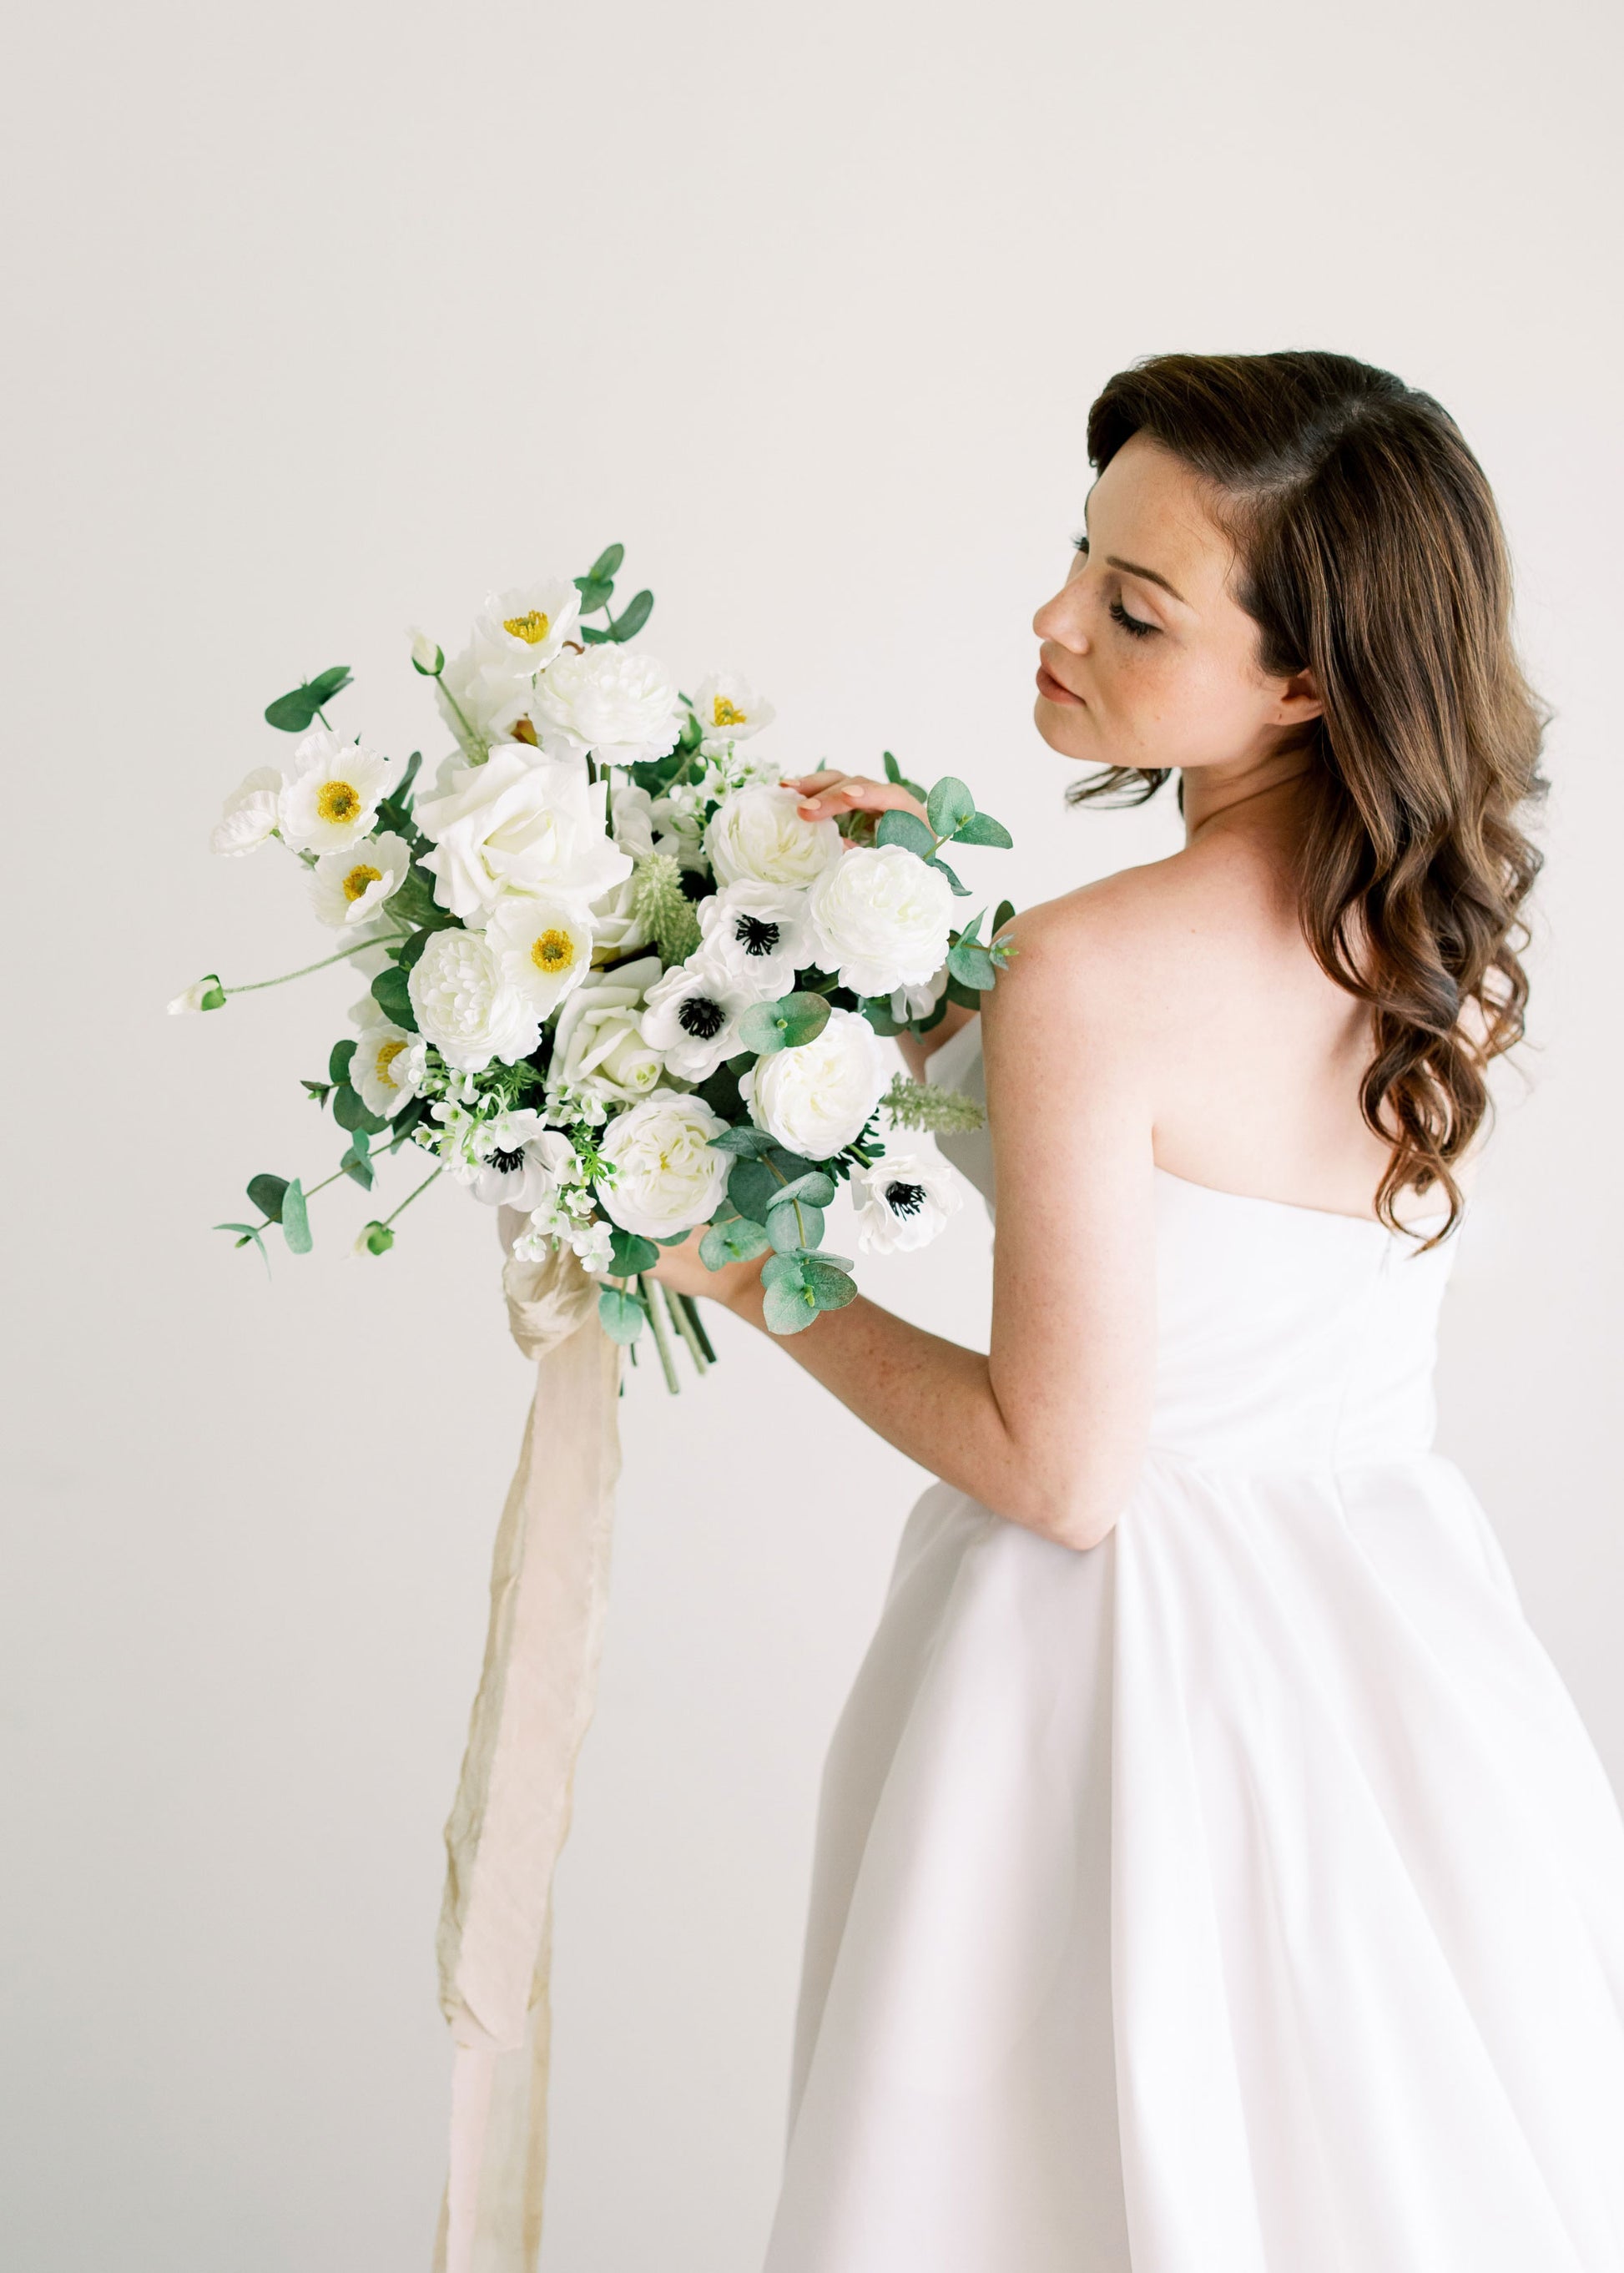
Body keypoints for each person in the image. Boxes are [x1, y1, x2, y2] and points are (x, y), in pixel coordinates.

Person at [652, 351, 1624, 2270]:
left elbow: (1066, 1470)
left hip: (1112, 1693)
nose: (1052, 620)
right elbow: (1216, 1197)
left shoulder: (1088, 969)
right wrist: (924, 962)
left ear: (1306, 677)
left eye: (1132, 604)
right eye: (1077, 560)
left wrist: (732, 1262)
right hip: (1394, 1668)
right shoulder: (1434, 945)